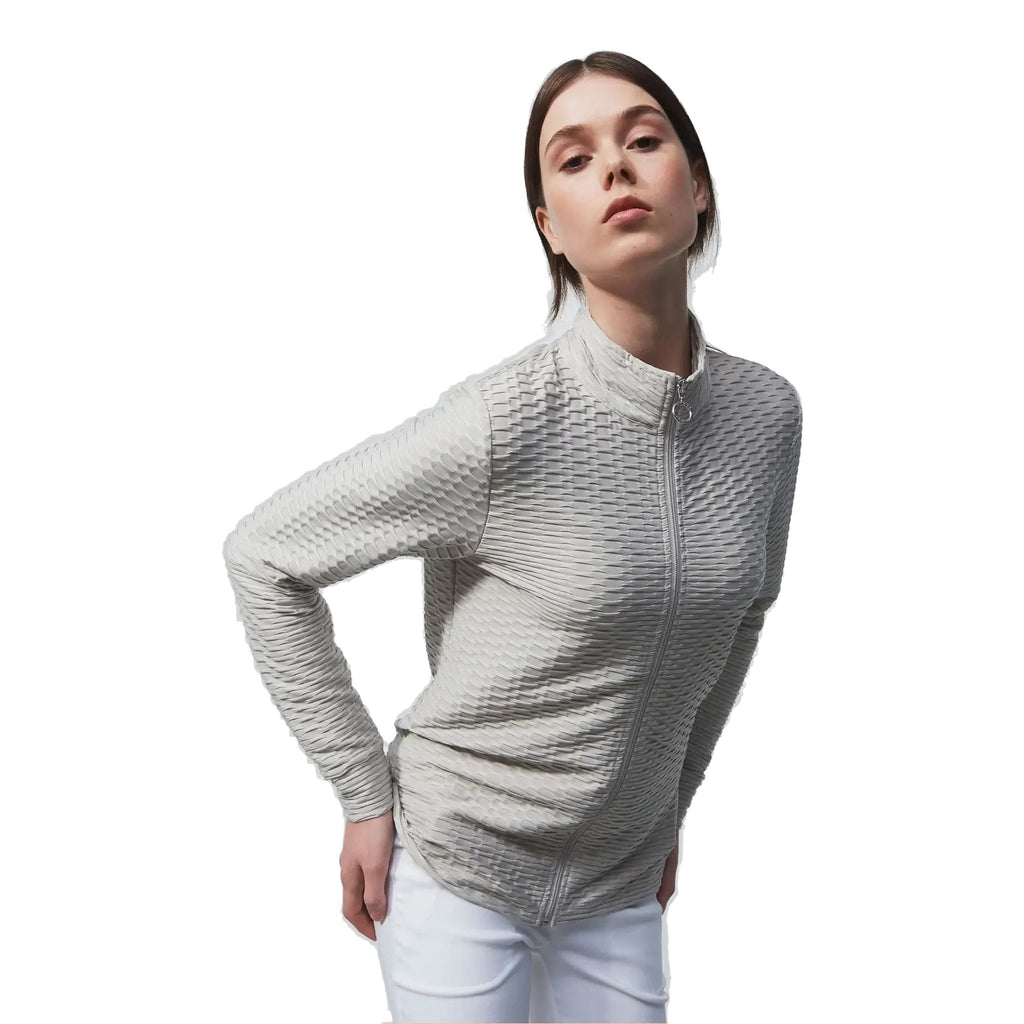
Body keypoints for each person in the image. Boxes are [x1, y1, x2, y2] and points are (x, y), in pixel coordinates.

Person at [223, 50, 803, 1024]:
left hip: (619, 885)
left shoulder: (766, 415)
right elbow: (265, 555)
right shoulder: (502, 423)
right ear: (550, 229)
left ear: (697, 187)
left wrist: (674, 801)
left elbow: (741, 616)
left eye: (644, 140)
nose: (614, 167)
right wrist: (362, 791)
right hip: (457, 869)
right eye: (573, 159)